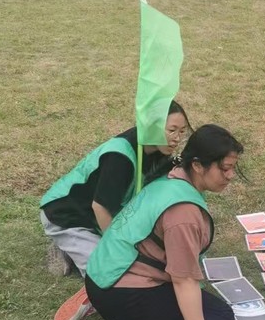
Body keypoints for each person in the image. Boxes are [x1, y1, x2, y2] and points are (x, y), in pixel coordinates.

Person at [57, 126, 242, 320]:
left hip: (99, 277)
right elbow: (183, 281)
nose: (231, 176)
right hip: (123, 300)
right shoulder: (183, 213)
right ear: (197, 165)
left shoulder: (168, 178)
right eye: (225, 168)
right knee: (219, 315)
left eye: (233, 168)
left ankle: (92, 299)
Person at [41, 101, 190, 283]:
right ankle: (66, 245)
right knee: (110, 276)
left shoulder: (157, 151)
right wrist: (116, 249)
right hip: (68, 217)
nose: (177, 139)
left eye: (182, 131)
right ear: (150, 125)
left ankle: (78, 248)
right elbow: (100, 207)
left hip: (104, 216)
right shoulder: (119, 158)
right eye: (171, 130)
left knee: (141, 262)